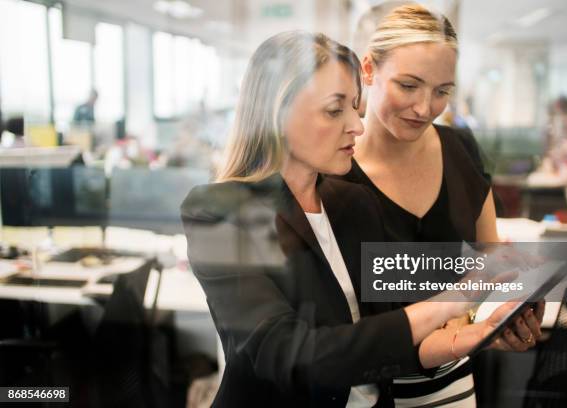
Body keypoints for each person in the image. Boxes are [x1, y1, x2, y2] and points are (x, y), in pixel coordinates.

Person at [181, 31, 541, 407]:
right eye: (335, 110)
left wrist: (473, 336)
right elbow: (291, 356)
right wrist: (455, 298)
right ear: (278, 114)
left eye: (355, 106)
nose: (358, 124)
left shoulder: (353, 202)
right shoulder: (219, 211)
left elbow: (384, 340)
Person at [340, 4, 540, 407]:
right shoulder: (334, 169)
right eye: (409, 85)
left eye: (442, 91)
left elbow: (491, 260)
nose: (425, 108)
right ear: (368, 70)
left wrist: (500, 320)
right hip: (359, 390)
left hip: (451, 382)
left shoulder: (460, 149)